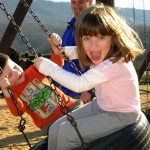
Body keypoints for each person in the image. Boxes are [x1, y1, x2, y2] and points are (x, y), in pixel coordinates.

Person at [33, 4, 144, 150]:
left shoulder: (114, 63)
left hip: (122, 114)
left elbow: (80, 84)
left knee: (67, 133)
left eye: (101, 37)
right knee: (55, 128)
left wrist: (48, 67)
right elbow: (80, 52)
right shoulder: (103, 52)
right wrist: (61, 51)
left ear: (114, 37)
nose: (93, 46)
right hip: (102, 105)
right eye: (86, 38)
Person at [0, 53, 82, 135]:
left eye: (14, 67)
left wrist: (54, 50)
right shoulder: (13, 93)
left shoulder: (33, 70)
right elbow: (18, 112)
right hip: (50, 124)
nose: (16, 72)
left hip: (70, 107)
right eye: (10, 75)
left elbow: (56, 65)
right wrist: (5, 90)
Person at [50, 0, 95, 104]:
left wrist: (89, 89)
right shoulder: (70, 26)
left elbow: (96, 58)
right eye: (73, 2)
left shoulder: (92, 26)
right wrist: (55, 46)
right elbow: (62, 57)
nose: (76, 6)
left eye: (81, 2)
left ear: (90, 2)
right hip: (67, 88)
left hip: (82, 90)